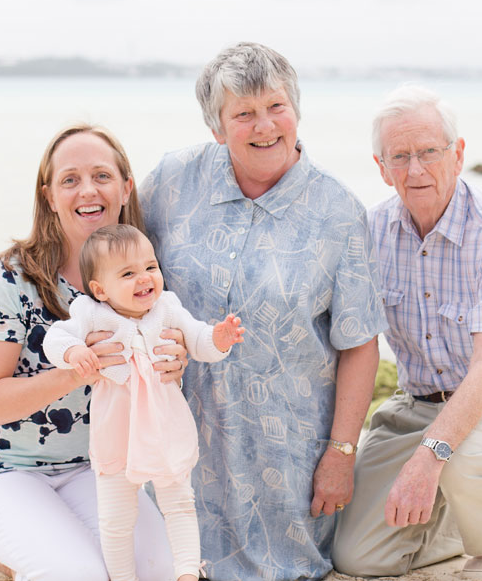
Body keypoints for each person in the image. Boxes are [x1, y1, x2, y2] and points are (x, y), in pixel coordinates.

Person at [140, 42, 388, 580]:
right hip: (179, 442)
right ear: (217, 126)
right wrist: (6, 284)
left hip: (285, 460)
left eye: (276, 107)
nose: (264, 126)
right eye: (243, 113)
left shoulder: (339, 213)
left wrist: (342, 453)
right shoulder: (170, 183)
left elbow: (360, 343)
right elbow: (101, 255)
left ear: (296, 110)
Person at [332, 84, 482, 578]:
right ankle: (462, 515)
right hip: (416, 406)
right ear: (381, 167)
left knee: (461, 460)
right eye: (400, 156)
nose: (415, 170)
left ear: (457, 155)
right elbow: (352, 346)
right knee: (357, 557)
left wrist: (428, 458)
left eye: (429, 152)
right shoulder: (371, 232)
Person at [0, 124, 189, 581]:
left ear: (125, 187)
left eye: (101, 175)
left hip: (97, 469)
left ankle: (17, 553)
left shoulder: (146, 274)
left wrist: (179, 358)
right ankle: (16, 551)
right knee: (77, 574)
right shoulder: (11, 278)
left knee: (164, 571)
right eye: (70, 180)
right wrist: (76, 372)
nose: (88, 190)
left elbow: (168, 349)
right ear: (49, 197)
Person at [44, 223, 245, 581]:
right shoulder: (90, 312)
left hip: (164, 428)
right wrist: (74, 351)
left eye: (150, 267)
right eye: (128, 273)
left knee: (180, 504)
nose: (145, 278)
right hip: (115, 434)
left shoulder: (167, 308)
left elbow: (198, 340)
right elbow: (55, 338)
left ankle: (186, 573)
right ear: (99, 289)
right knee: (117, 519)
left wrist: (219, 337)